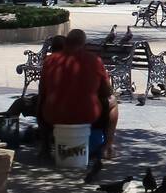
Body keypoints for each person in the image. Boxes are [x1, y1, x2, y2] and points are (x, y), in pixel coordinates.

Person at [37, 29, 118, 160]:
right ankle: (108, 147)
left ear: (66, 42)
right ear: (83, 44)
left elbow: (42, 91)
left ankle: (45, 147)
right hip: (87, 115)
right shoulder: (94, 61)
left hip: (53, 115)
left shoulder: (49, 61)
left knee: (41, 100)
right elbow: (107, 92)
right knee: (113, 102)